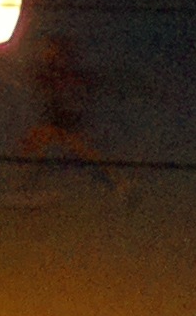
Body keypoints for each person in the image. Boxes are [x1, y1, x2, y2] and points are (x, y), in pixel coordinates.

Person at [15, 26, 124, 192]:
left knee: (83, 149)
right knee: (34, 145)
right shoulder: (50, 72)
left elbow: (76, 92)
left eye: (49, 49)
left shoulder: (64, 74)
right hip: (56, 119)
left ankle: (118, 181)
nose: (45, 53)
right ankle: (23, 183)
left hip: (66, 120)